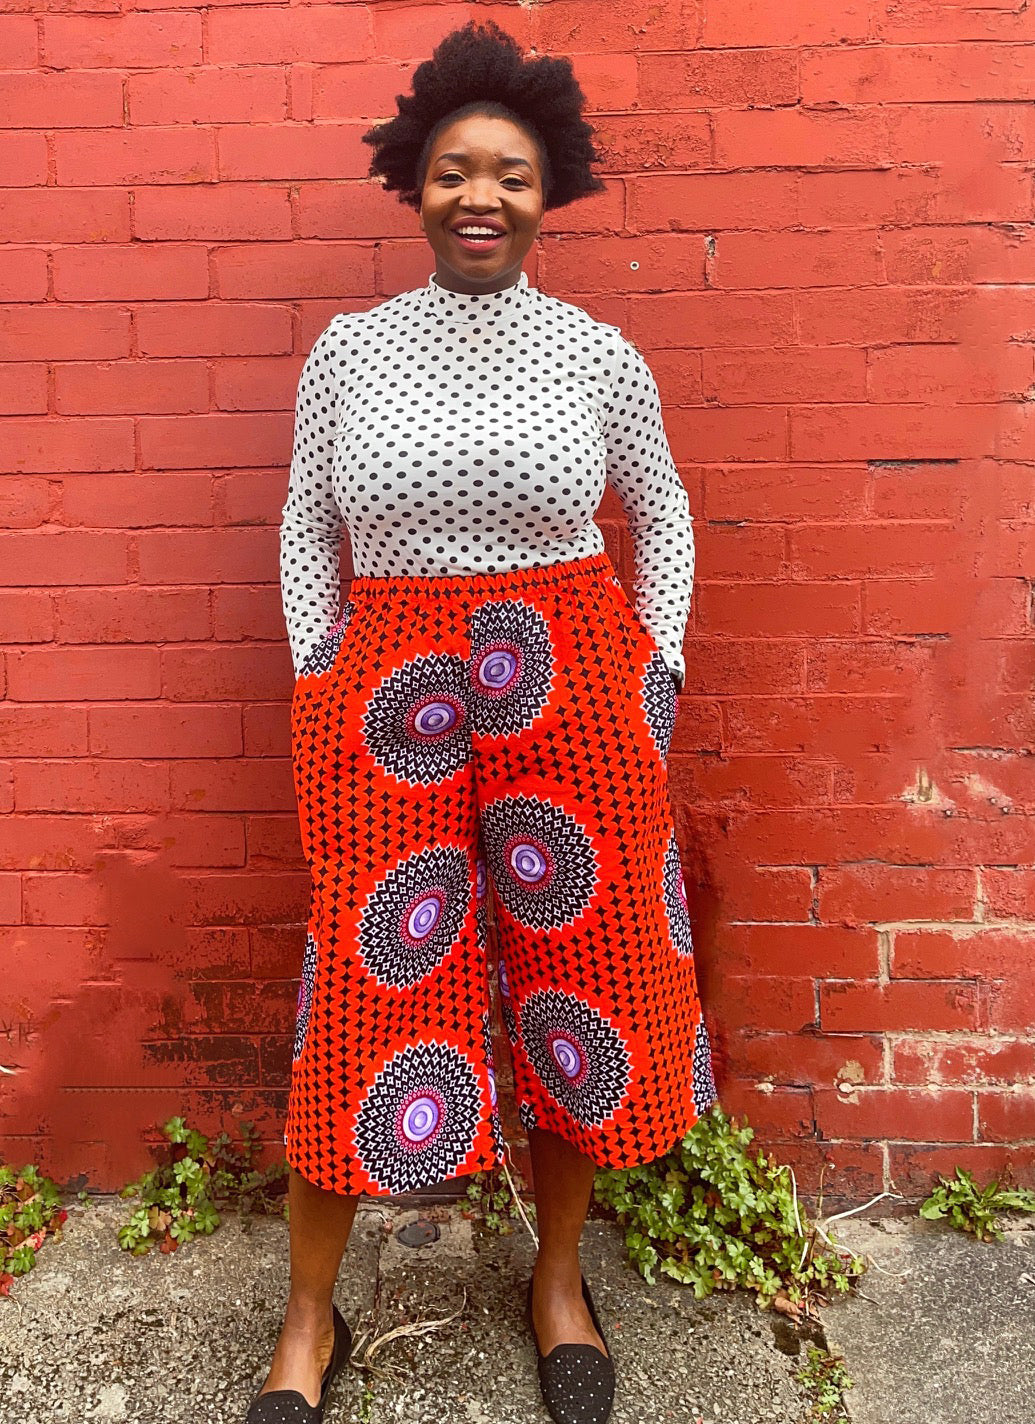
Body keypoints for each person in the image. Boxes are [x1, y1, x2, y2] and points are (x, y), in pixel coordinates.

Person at [251, 20, 718, 1424]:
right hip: (384, 696)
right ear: (415, 183)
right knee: (364, 990)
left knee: (576, 971)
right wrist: (320, 660)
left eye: (510, 175)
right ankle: (306, 1319)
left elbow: (668, 511)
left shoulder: (596, 354)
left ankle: (558, 1280)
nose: (481, 195)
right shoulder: (348, 353)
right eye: (455, 169)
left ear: (546, 193)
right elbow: (302, 522)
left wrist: (660, 662)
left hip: (572, 688)